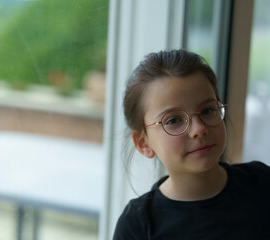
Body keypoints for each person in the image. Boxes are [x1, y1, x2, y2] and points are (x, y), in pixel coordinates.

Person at [113, 49, 270, 240]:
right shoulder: (138, 225)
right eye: (173, 120)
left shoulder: (261, 183)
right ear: (143, 143)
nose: (199, 129)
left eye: (207, 110)